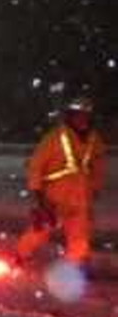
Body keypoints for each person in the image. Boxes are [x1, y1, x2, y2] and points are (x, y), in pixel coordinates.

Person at [16, 97, 107, 269]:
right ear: (70, 116)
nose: (82, 119)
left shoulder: (95, 140)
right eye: (78, 115)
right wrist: (38, 196)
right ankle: (21, 257)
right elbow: (36, 166)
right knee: (40, 231)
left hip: (81, 197)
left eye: (86, 115)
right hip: (54, 197)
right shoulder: (54, 138)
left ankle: (75, 268)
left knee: (79, 235)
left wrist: (95, 189)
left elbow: (98, 167)